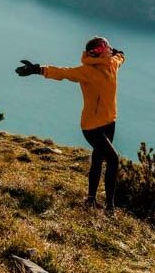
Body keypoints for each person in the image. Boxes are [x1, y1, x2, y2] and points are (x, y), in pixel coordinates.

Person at [15, 36, 125, 213]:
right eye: (107, 46)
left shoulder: (112, 63)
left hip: (109, 121)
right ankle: (110, 207)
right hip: (91, 126)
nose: (110, 48)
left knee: (98, 160)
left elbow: (121, 57)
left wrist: (120, 54)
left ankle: (91, 200)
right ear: (98, 51)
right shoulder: (87, 71)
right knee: (113, 159)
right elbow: (63, 72)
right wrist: (37, 69)